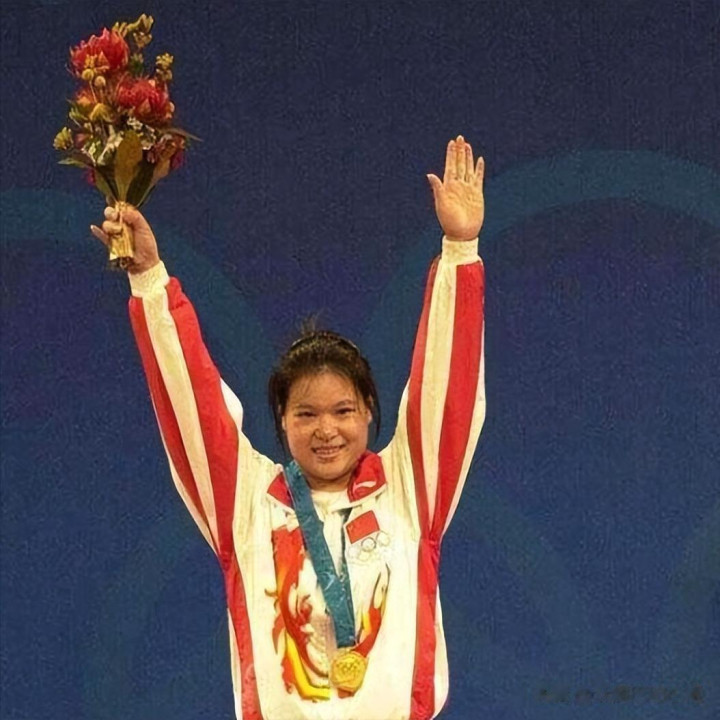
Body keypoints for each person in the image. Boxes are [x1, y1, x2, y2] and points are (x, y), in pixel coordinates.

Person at [91, 135, 487, 720]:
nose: (326, 430)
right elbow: (191, 404)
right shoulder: (248, 503)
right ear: (281, 419)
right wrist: (149, 280)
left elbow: (446, 392)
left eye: (343, 411)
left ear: (369, 412)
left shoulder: (410, 490)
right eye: (306, 414)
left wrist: (460, 249)